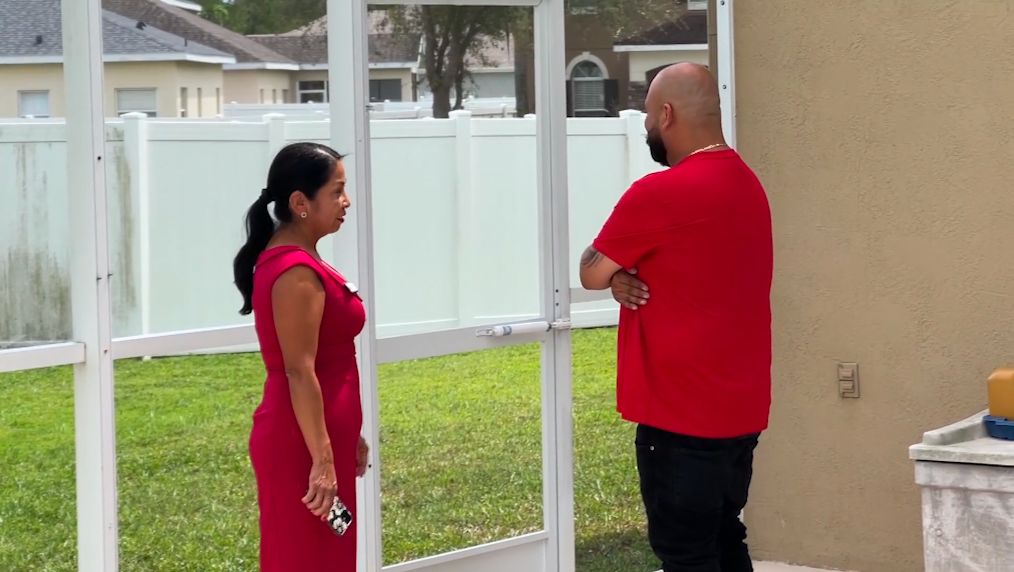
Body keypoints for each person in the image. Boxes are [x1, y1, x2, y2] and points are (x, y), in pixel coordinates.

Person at [579, 63, 773, 572]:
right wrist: (630, 274)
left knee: (686, 552)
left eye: (647, 115)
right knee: (725, 536)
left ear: (666, 115)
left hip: (680, 417)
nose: (646, 126)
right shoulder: (748, 185)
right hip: (739, 413)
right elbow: (698, 269)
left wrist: (618, 273)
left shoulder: (659, 193)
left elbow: (592, 272)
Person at [233, 142, 369, 572]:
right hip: (303, 450)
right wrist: (323, 459)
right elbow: (298, 370)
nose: (346, 201)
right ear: (300, 203)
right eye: (336, 191)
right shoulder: (294, 271)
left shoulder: (305, 260)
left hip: (320, 443)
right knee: (304, 560)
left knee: (330, 554)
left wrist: (350, 436)